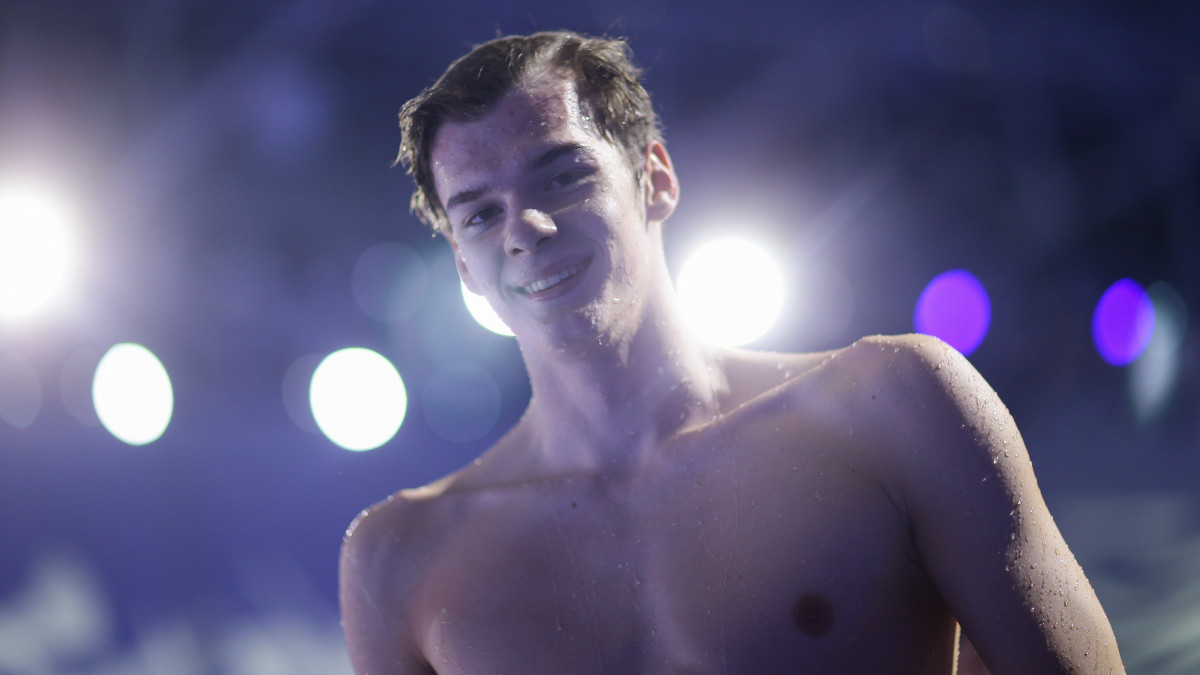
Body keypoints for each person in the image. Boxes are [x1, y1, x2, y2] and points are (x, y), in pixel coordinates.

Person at [339, 30, 1124, 674]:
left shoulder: (895, 406)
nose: (525, 228)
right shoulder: (398, 559)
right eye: (479, 215)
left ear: (655, 178)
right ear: (463, 265)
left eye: (563, 174)